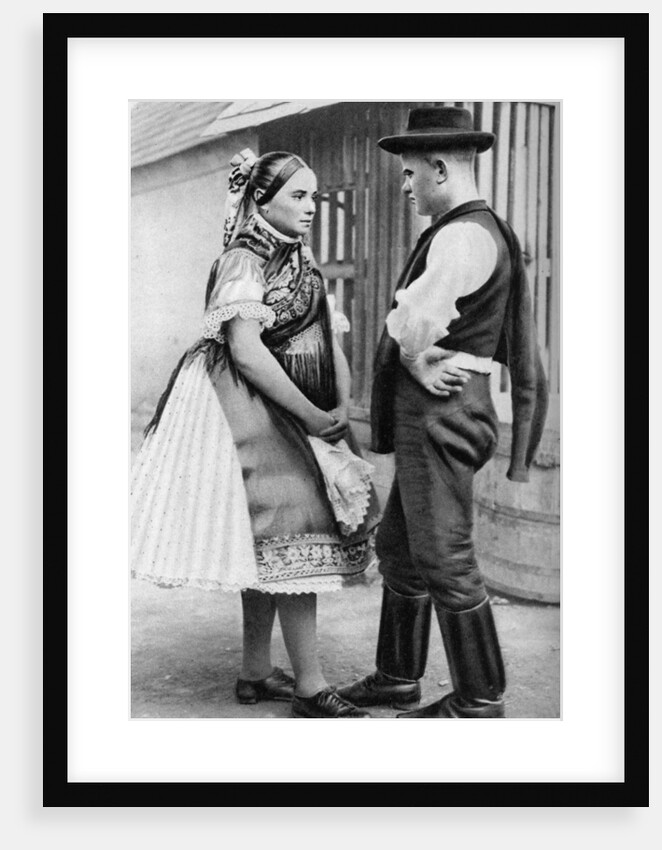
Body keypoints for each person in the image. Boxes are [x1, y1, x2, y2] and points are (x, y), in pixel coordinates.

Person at [131, 149, 380, 719]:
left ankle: (255, 670)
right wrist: (311, 418)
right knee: (293, 522)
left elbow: (329, 340)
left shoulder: (304, 259)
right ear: (261, 200)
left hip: (301, 403)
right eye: (298, 195)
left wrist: (337, 408)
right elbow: (245, 353)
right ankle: (311, 687)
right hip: (241, 403)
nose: (310, 207)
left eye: (314, 196)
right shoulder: (244, 259)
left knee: (268, 540)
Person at [338, 107, 549, 718]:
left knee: (445, 558)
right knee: (403, 549)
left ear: (438, 167)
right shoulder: (480, 228)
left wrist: (418, 359)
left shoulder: (462, 235)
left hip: (442, 412)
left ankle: (480, 698)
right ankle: (398, 677)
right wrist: (420, 358)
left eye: (409, 175)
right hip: (443, 410)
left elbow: (408, 323)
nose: (405, 187)